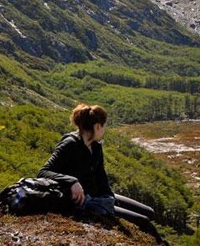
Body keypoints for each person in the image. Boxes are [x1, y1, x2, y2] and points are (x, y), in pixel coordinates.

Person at [39, 104, 164, 243]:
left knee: (149, 212)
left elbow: (101, 175)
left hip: (100, 195)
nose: (104, 130)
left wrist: (110, 197)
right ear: (97, 126)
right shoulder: (70, 144)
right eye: (103, 126)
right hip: (86, 201)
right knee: (144, 221)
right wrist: (71, 181)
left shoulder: (96, 146)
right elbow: (43, 172)